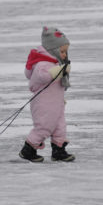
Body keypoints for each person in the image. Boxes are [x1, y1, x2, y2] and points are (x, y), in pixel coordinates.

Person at [19, 26, 75, 162]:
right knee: (44, 126)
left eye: (65, 52)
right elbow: (42, 77)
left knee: (60, 127)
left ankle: (58, 150)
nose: (64, 55)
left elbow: (56, 86)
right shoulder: (42, 64)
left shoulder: (55, 63)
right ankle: (28, 150)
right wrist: (59, 71)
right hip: (43, 104)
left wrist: (61, 99)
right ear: (53, 50)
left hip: (56, 103)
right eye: (62, 51)